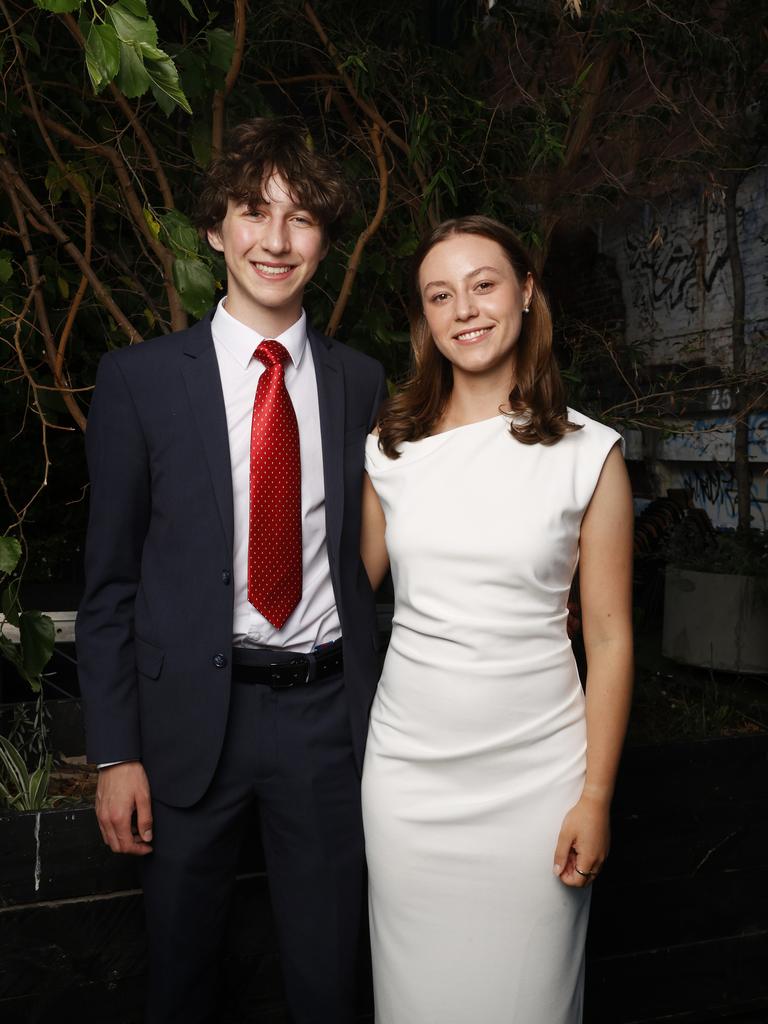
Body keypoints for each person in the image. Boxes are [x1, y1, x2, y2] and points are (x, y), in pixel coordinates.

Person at [76, 118, 386, 1024]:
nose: (276, 241)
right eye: (255, 213)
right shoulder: (139, 381)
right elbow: (108, 585)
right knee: (180, 979)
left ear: (324, 241)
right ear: (216, 230)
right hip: (184, 731)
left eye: (300, 219)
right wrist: (115, 750)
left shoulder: (359, 383)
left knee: (331, 981)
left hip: (326, 721)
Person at [360, 215, 634, 1023]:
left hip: (537, 785)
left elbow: (613, 639)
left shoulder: (591, 453)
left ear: (525, 291)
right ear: (424, 317)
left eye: (483, 284)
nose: (465, 309)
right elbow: (333, 600)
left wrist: (596, 797)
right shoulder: (389, 450)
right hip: (408, 783)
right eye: (440, 295)